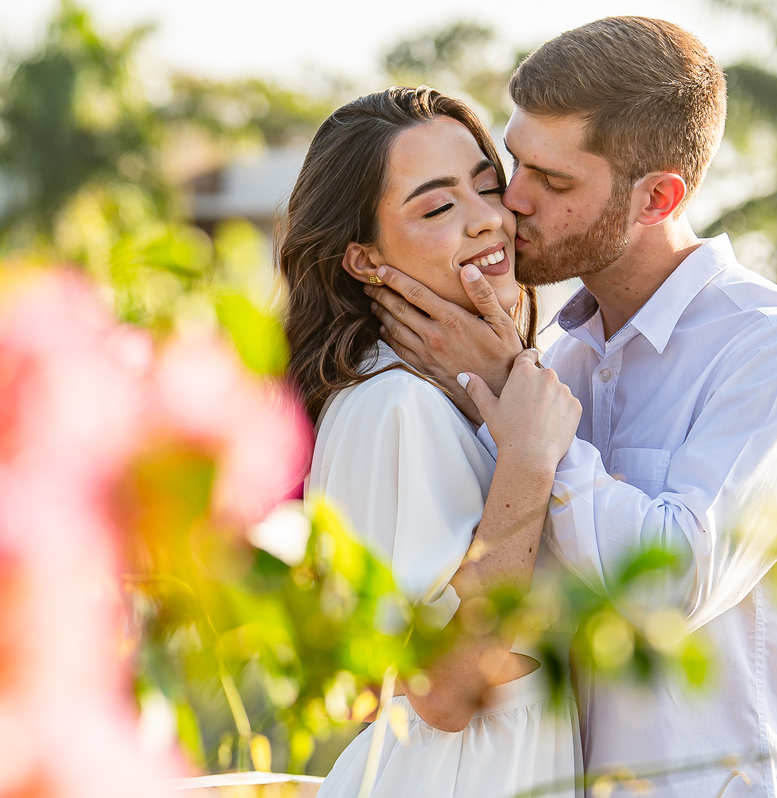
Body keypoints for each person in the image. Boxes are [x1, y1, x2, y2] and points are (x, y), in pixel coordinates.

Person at [367, 17, 777, 798]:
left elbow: (670, 588)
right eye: (515, 165)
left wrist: (531, 420)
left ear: (658, 196)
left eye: (555, 183)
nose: (511, 206)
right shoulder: (559, 363)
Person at [280, 86, 583, 798]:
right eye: (439, 207)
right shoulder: (397, 405)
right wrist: (529, 461)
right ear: (361, 259)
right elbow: (446, 688)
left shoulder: (440, 397)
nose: (487, 223)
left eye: (488, 187)